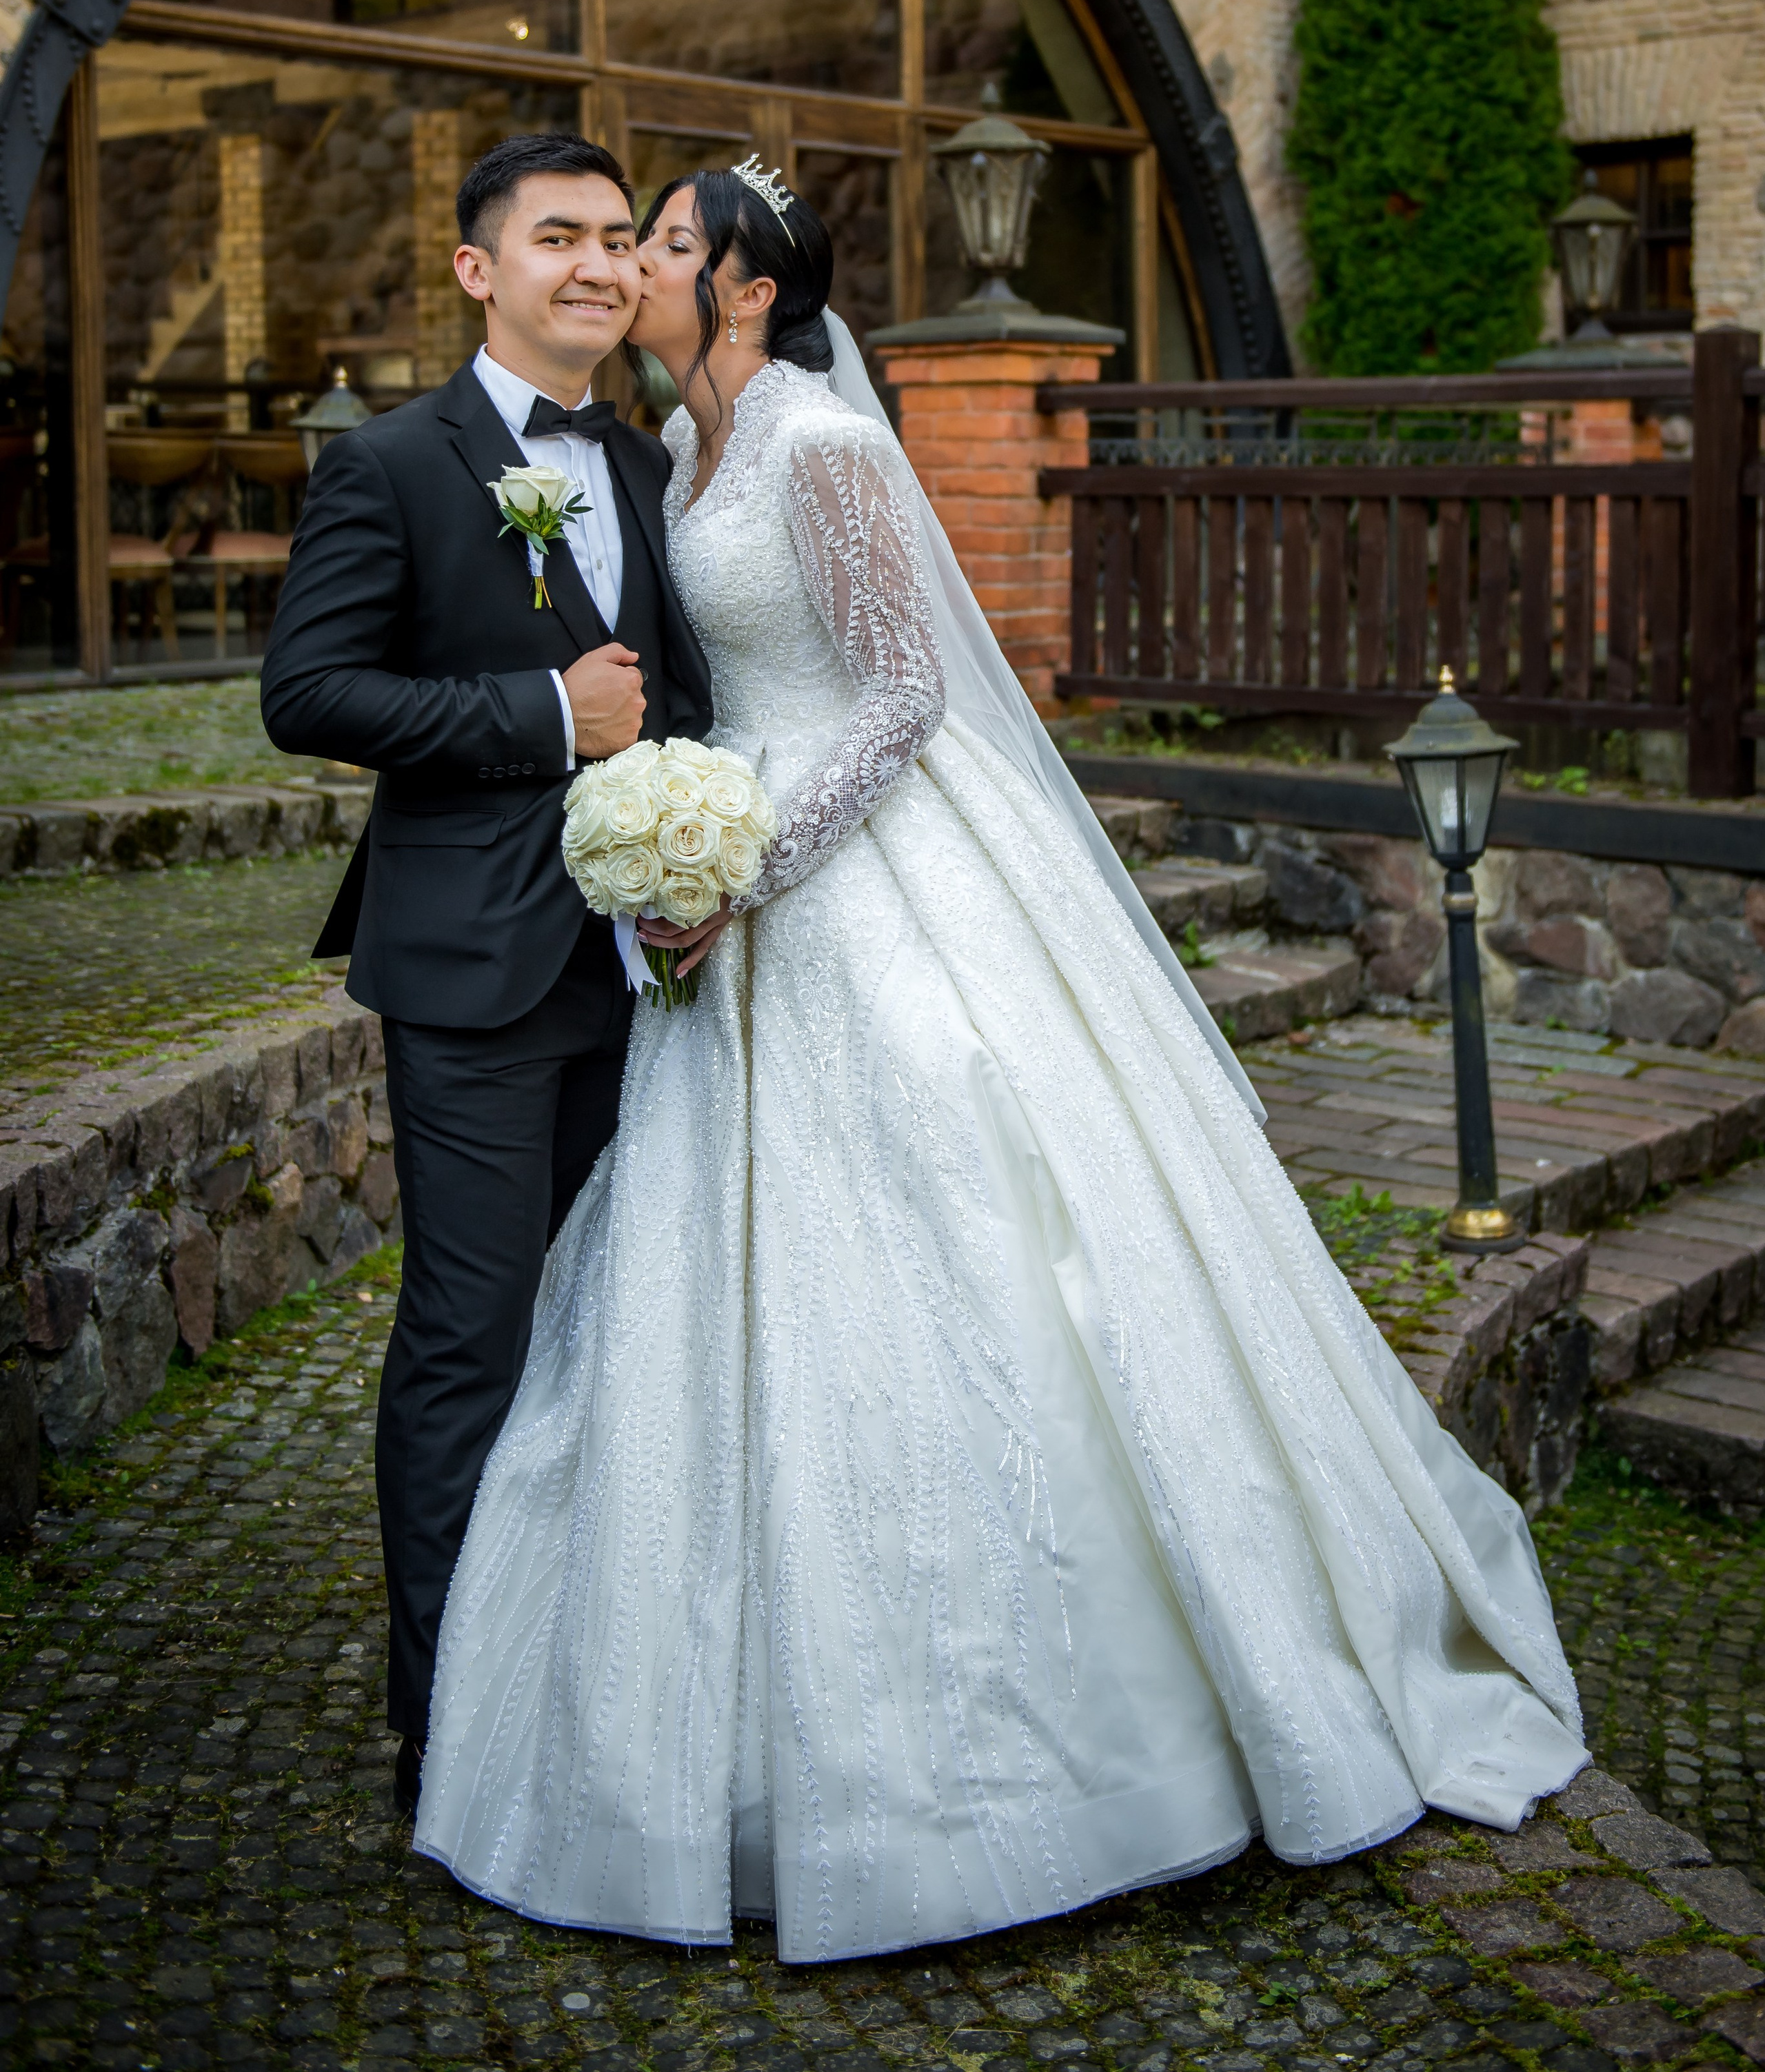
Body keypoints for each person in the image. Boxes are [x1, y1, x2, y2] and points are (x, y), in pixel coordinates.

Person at [413, 160, 1588, 1962]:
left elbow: (902, 691)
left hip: (874, 868)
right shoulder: (679, 452)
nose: (634, 267)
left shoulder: (820, 440)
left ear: (738, 285)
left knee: (979, 1226)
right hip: (741, 884)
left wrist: (746, 859)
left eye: (661, 241)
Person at [259, 133, 714, 1818]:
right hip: (472, 969)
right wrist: (540, 718)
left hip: (652, 971)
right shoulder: (392, 460)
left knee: (616, 1325)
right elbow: (307, 694)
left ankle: (589, 1677)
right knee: (471, 1334)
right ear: (479, 270)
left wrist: (705, 853)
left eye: (616, 239)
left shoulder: (655, 465)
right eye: (556, 240)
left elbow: (681, 690)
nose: (595, 266)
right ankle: (447, 1726)